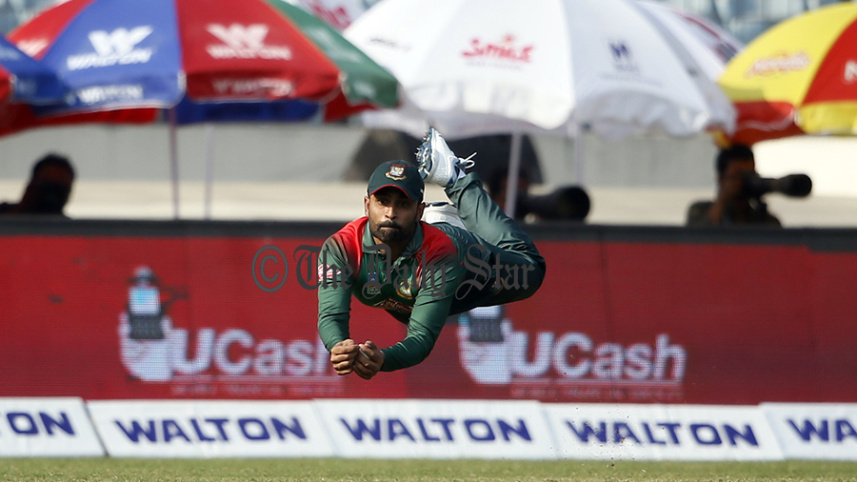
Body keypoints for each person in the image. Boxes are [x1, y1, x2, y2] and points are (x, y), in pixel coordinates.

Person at [317, 128, 546, 379]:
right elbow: (331, 315)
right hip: (419, 261)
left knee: (531, 270)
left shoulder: (440, 254)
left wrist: (384, 359)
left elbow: (421, 338)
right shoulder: (341, 248)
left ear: (418, 211)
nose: (391, 213)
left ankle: (456, 179)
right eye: (383, 201)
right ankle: (441, 213)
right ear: (366, 205)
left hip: (466, 261)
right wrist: (338, 346)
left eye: (403, 204)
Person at [686, 144, 781, 227]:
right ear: (721, 179)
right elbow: (701, 235)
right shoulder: (699, 211)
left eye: (750, 175)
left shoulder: (768, 221)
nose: (744, 182)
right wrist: (723, 198)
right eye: (736, 176)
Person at [0, 153, 75, 217]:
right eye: (48, 184)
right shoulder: (4, 216)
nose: (54, 193)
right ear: (31, 186)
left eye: (61, 187)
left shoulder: (70, 230)